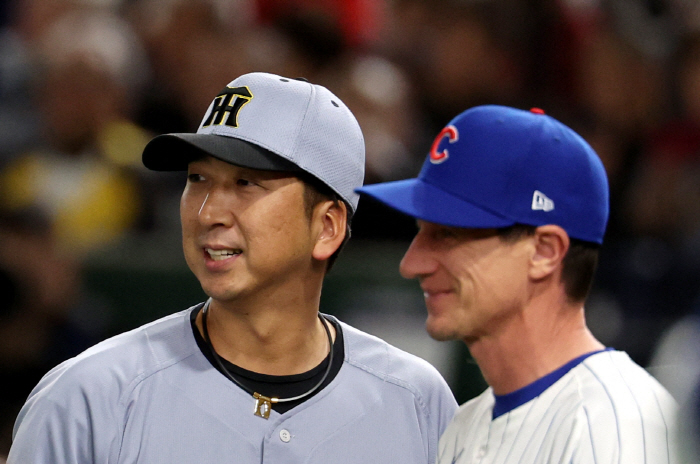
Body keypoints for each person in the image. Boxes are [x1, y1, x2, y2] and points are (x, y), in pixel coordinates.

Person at [8, 72, 457, 463]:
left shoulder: (417, 403)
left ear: (326, 227)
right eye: (197, 179)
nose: (207, 212)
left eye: (245, 183)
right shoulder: (87, 398)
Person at [357, 105, 679, 463]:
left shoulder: (616, 423)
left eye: (447, 234)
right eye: (421, 233)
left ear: (544, 251)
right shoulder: (464, 426)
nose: (410, 264)